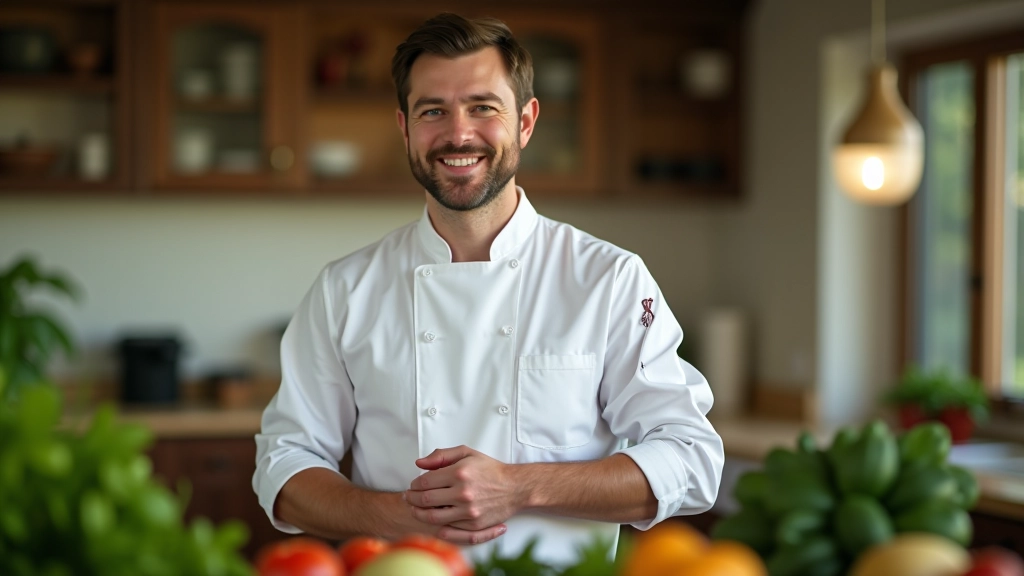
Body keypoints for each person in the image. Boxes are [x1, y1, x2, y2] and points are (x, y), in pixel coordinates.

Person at [253, 12, 724, 567]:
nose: (458, 134)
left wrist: (521, 486)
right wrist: (394, 516)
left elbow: (692, 460)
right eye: (433, 111)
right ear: (405, 128)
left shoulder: (608, 279)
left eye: (483, 107)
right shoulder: (346, 289)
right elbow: (284, 466)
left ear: (525, 122)